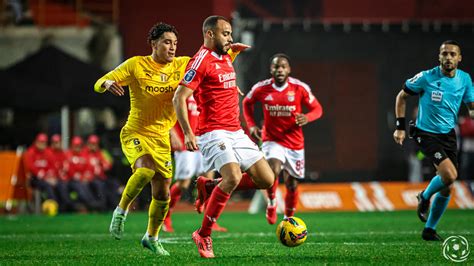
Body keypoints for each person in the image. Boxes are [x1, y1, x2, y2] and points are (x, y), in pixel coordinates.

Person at [94, 22, 247, 255]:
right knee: (145, 170)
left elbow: (211, 67)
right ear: (153, 43)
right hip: (136, 132)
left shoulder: (182, 64)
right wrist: (106, 83)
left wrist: (232, 52)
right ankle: (121, 212)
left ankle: (151, 237)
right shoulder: (136, 64)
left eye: (175, 43)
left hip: (161, 138)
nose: (173, 47)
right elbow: (99, 83)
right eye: (167, 42)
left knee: (163, 194)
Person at [173, 15, 275, 258]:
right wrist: (188, 132)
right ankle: (204, 234)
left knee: (267, 179)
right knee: (232, 177)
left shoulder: (224, 56)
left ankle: (209, 185)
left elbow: (220, 81)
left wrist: (233, 52)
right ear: (210, 34)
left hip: (235, 131)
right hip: (212, 131)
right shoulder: (199, 61)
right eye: (225, 34)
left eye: (230, 34)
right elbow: (179, 97)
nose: (230, 38)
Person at [393, 40, 474, 241]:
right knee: (450, 175)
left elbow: (471, 107)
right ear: (439, 57)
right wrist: (400, 128)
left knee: (447, 185)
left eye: (452, 54)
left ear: (459, 58)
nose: (448, 57)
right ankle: (425, 196)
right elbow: (401, 97)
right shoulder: (426, 77)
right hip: (425, 133)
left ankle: (429, 230)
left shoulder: (464, 79)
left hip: (448, 135)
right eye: (444, 54)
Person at [242, 53, 323, 224]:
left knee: (292, 183)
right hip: (272, 139)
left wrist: (307, 117)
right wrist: (251, 125)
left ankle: (288, 218)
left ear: (289, 70)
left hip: (295, 142)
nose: (279, 69)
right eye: (276, 66)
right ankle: (272, 203)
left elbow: (317, 109)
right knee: (272, 171)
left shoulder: (299, 88)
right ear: (271, 69)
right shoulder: (261, 88)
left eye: (283, 66)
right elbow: (246, 103)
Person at [164, 96, 227, 233]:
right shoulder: (182, 86)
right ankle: (165, 216)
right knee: (183, 183)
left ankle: (210, 221)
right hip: (185, 140)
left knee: (209, 181)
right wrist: (171, 132)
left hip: (205, 140)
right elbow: (167, 111)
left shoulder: (205, 88)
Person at [24, 133, 58, 203]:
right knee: (47, 186)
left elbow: (52, 166)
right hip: (34, 179)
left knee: (59, 184)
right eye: (40, 142)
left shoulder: (48, 152)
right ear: (36, 142)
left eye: (44, 142)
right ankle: (53, 205)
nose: (42, 144)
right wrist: (46, 177)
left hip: (46, 178)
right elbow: (31, 168)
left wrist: (51, 176)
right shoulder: (30, 152)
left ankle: (63, 207)